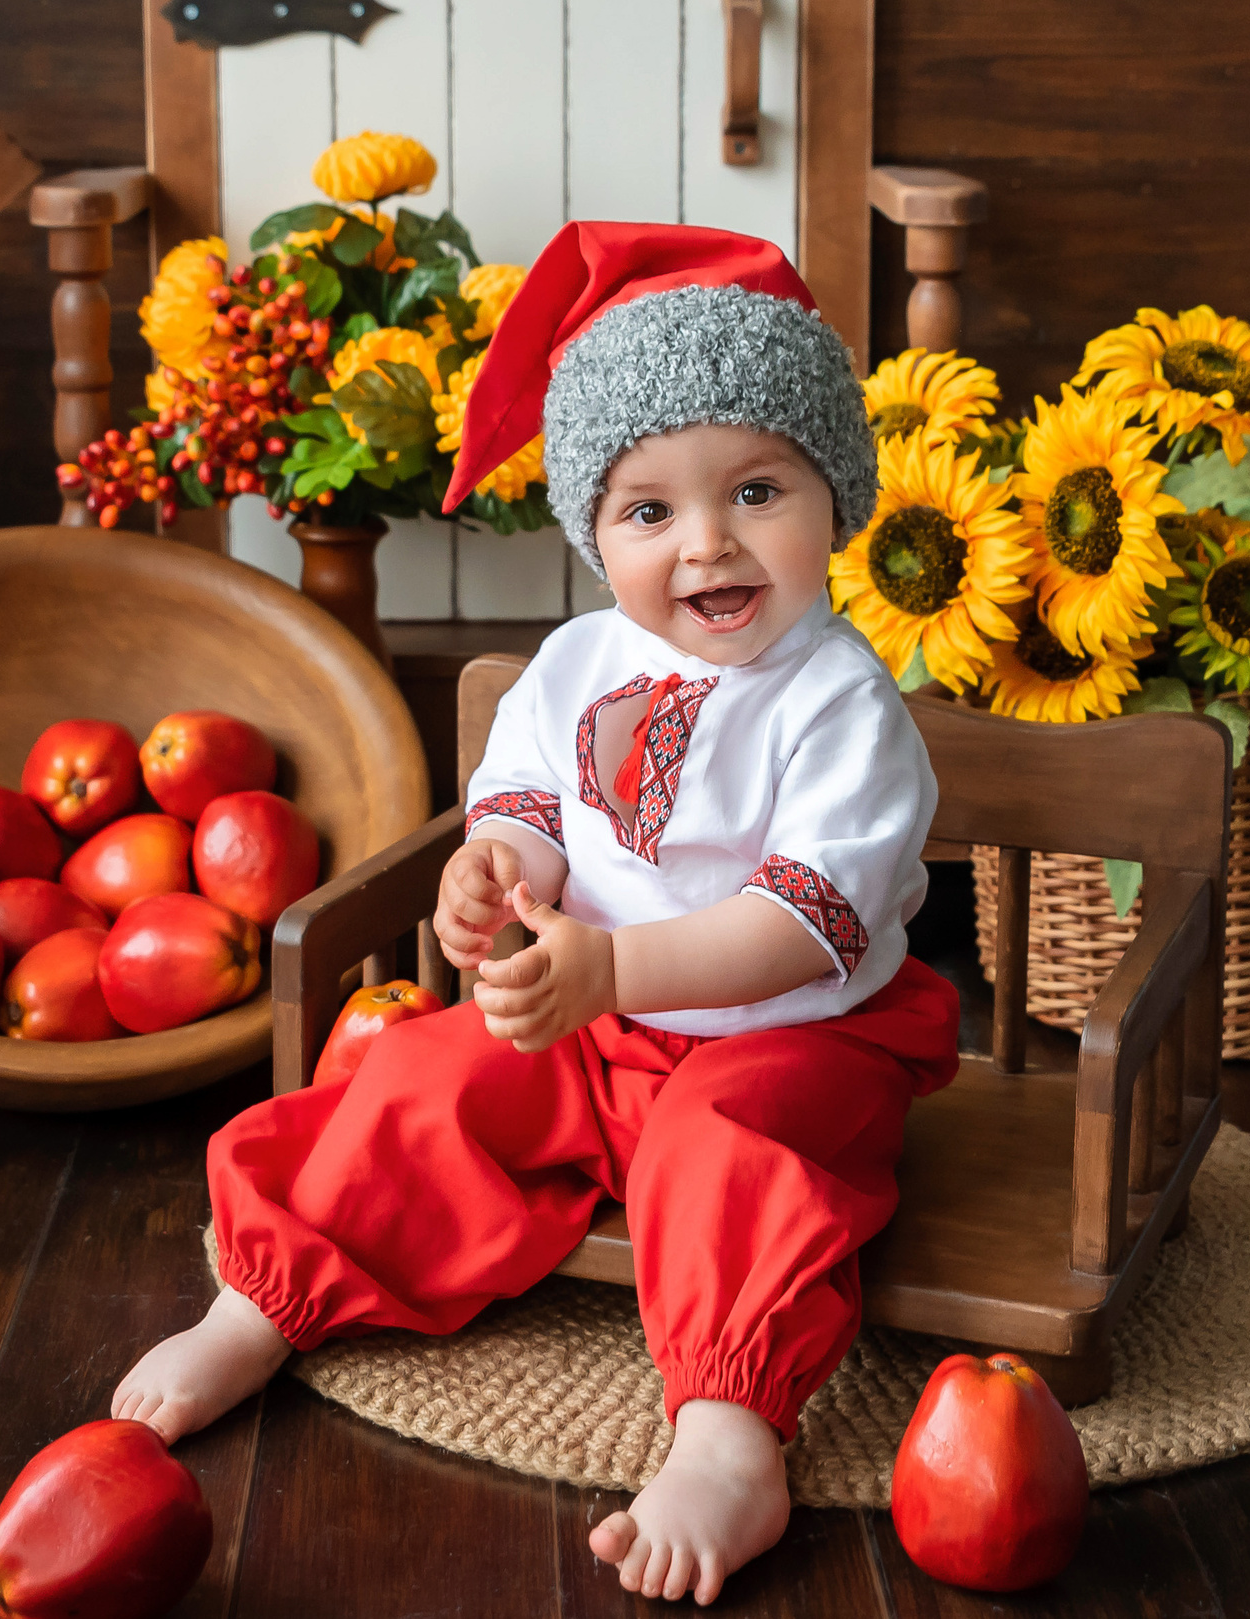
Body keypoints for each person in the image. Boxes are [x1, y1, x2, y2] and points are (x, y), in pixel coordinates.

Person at [112, 222, 961, 1606]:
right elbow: (530, 800)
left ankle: (732, 1432)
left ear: (836, 495)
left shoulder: (841, 706)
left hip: (799, 1042)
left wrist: (614, 966)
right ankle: (262, 1301)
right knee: (424, 1075)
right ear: (593, 532)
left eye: (757, 490)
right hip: (597, 1024)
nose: (708, 545)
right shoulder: (578, 663)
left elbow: (802, 925)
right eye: (650, 512)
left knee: (735, 1152)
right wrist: (499, 867)